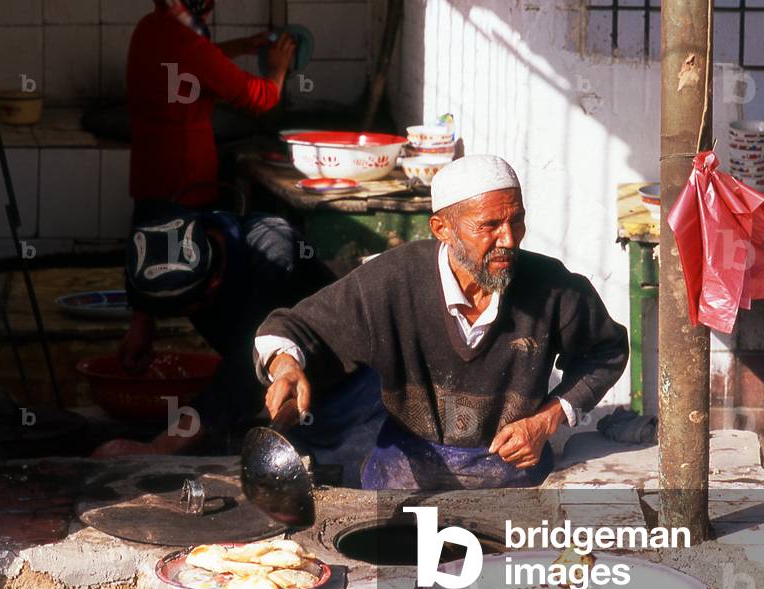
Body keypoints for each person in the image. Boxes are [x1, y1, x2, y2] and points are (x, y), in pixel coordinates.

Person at [253, 155, 629, 489]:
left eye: (517, 221)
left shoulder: (551, 287)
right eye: (489, 225)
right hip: (407, 469)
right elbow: (292, 327)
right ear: (442, 229)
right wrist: (285, 367)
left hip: (512, 472)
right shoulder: (393, 279)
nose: (510, 239)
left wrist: (547, 420)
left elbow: (607, 350)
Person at [92, 209, 334, 458]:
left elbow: (242, 374)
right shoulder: (188, 230)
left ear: (214, 282)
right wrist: (142, 321)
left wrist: (160, 447)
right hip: (266, 383)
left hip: (334, 382)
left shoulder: (274, 253)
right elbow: (148, 258)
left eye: (181, 309)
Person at [127, 0, 296, 220]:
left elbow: (190, 61)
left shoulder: (149, 26)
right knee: (182, 252)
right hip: (184, 182)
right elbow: (260, 98)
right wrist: (278, 69)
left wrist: (242, 46)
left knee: (150, 248)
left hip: (149, 176)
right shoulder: (191, 47)